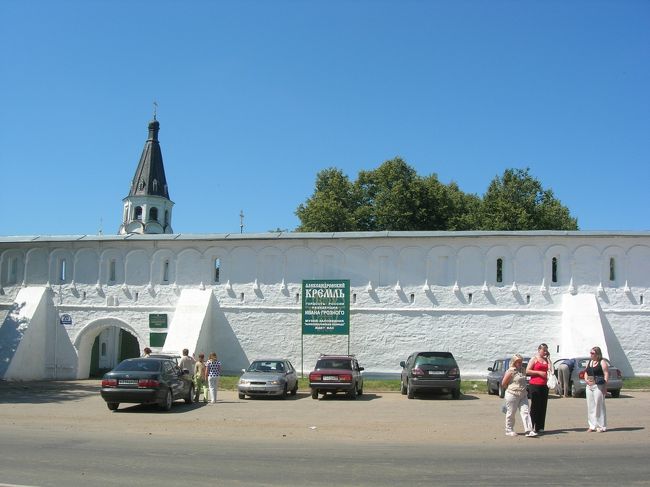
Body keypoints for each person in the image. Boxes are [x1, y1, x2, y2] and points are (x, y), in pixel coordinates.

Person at [502, 354, 536, 437]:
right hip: (512, 394)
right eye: (518, 362)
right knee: (511, 413)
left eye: (521, 362)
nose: (520, 363)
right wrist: (510, 390)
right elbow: (503, 383)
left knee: (526, 411)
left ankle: (529, 430)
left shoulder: (523, 370)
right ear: (514, 362)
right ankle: (509, 430)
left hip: (523, 394)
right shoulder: (510, 371)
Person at [526, 343, 550, 434]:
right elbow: (528, 370)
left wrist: (549, 359)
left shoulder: (547, 360)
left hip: (545, 385)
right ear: (539, 350)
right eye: (544, 350)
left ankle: (540, 426)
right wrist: (539, 373)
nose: (545, 352)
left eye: (546, 350)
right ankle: (531, 426)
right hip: (535, 384)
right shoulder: (534, 359)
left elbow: (551, 369)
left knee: (543, 406)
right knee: (535, 406)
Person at [584, 346, 609, 432]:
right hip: (589, 386)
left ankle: (601, 426)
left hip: (598, 385)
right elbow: (586, 372)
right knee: (590, 406)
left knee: (599, 405)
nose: (591, 355)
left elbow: (606, 374)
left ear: (597, 354)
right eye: (590, 353)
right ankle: (592, 425)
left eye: (593, 353)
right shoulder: (590, 362)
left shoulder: (602, 362)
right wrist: (586, 380)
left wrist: (605, 386)